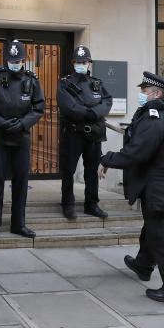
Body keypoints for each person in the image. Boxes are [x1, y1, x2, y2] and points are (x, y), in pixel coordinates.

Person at [99, 71, 164, 306]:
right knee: (154, 228)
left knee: (163, 237)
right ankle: (143, 264)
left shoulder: (155, 118)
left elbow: (137, 152)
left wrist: (108, 158)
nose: (140, 94)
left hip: (160, 187)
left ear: (156, 93)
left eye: (144, 91)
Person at [0, 40, 46, 239]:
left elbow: (39, 107)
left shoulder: (31, 79)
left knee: (21, 183)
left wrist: (24, 123)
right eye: (11, 60)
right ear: (6, 59)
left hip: (21, 138)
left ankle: (19, 224)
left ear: (24, 60)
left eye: (17, 60)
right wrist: (1, 122)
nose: (14, 63)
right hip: (0, 136)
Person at [58, 45, 113, 220]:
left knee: (92, 172)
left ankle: (91, 204)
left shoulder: (96, 83)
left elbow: (107, 101)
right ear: (73, 63)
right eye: (78, 62)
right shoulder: (65, 83)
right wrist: (92, 113)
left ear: (89, 63)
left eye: (85, 61)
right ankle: (68, 204)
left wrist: (94, 113)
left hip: (93, 136)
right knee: (68, 171)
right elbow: (69, 106)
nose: (82, 64)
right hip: (73, 134)